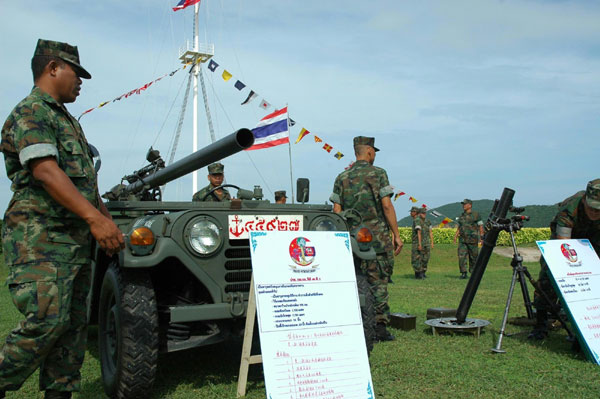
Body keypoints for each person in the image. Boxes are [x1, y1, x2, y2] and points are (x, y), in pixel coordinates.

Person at [0, 39, 125, 399]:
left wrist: (105, 220)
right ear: (53, 67)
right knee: (45, 322)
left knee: (71, 327)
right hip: (40, 237)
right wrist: (94, 220)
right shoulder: (31, 112)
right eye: (76, 72)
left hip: (73, 240)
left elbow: (87, 183)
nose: (81, 81)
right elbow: (46, 172)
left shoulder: (67, 120)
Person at [330, 136, 403, 342]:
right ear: (369, 151)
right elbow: (387, 205)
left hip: (351, 240)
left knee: (353, 280)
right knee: (377, 281)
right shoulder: (378, 174)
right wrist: (396, 235)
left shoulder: (342, 176)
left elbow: (337, 210)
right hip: (376, 239)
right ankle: (379, 328)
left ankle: (351, 323)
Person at [529, 178, 600, 340]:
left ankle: (588, 326)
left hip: (595, 237)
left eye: (599, 210)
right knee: (549, 274)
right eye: (592, 208)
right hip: (567, 238)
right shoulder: (570, 209)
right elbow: (563, 247)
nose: (595, 213)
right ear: (585, 200)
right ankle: (541, 324)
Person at [453, 199, 483, 279]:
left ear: (470, 205)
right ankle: (463, 273)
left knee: (474, 257)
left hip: (473, 240)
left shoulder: (476, 214)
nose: (463, 206)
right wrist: (456, 236)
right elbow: (460, 226)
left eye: (465, 204)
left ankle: (473, 273)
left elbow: (480, 226)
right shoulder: (462, 215)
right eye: (463, 204)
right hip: (463, 240)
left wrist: (482, 237)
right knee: (461, 256)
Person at [418, 208, 434, 278]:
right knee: (420, 258)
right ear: (419, 214)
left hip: (427, 242)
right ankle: (420, 273)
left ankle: (424, 271)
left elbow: (430, 232)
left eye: (425, 213)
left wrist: (432, 242)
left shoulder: (428, 222)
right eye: (422, 213)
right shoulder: (418, 221)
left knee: (426, 258)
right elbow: (418, 233)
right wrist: (419, 244)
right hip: (421, 242)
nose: (424, 214)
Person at [410, 207, 423, 279]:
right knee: (416, 258)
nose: (410, 213)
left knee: (415, 258)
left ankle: (419, 275)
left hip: (416, 242)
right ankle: (418, 274)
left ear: (415, 212)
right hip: (416, 242)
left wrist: (419, 244)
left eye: (412, 211)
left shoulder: (417, 220)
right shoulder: (416, 220)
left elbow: (419, 232)